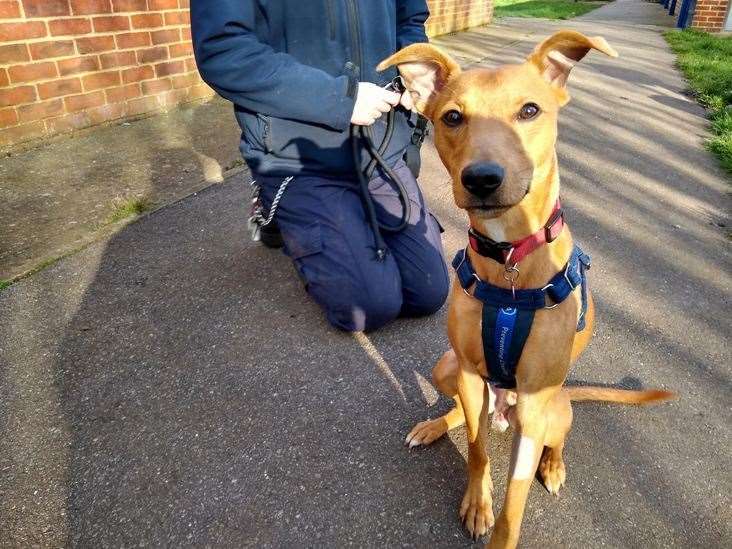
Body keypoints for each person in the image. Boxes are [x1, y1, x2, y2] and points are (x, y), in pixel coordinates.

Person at [191, 1, 449, 332]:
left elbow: (409, 15)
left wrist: (416, 69)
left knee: (428, 291)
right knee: (369, 307)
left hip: (381, 143)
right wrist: (339, 98)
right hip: (298, 154)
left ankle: (348, 227)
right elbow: (223, 50)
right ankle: (274, 204)